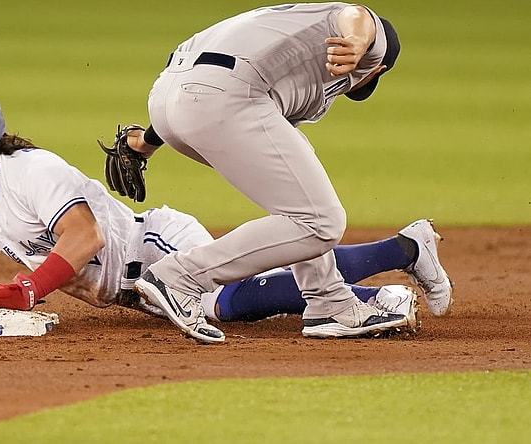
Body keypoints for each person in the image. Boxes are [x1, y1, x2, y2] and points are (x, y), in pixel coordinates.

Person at [0, 83, 450, 342]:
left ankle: (402, 253)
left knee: (231, 302)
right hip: (131, 280)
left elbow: (83, 238)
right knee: (257, 288)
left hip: (154, 253)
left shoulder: (33, 172)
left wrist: (29, 289)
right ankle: (403, 254)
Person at [121, 2, 453, 343]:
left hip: (169, 98)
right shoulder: (368, 48)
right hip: (223, 94)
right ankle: (180, 277)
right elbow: (358, 15)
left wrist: (145, 142)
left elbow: (197, 88)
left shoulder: (286, 36)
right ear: (378, 69)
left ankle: (329, 304)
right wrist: (357, 40)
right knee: (321, 222)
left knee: (299, 200)